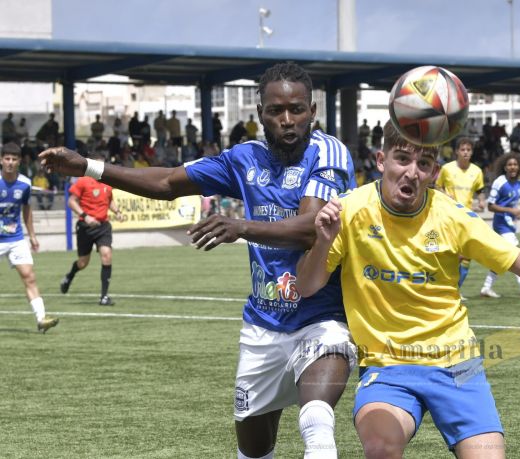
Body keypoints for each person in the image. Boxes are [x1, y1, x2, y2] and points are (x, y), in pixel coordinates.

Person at [41, 61, 357, 459]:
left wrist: (241, 227)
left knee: (316, 422)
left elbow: (310, 227)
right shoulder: (245, 158)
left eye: (297, 110)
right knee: (254, 451)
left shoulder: (327, 151)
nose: (288, 120)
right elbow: (169, 182)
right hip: (264, 324)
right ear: (260, 114)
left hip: (321, 317)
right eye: (276, 111)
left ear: (313, 112)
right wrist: (89, 166)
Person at [295, 122, 520, 458]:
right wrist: (323, 242)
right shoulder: (350, 210)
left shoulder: (452, 216)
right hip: (389, 368)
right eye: (402, 159)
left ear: (435, 172)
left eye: (424, 163)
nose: (411, 172)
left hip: (458, 366)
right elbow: (307, 287)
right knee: (381, 448)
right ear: (381, 161)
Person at [1, 143, 59, 333]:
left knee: (29, 276)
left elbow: (27, 211)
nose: (10, 162)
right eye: (7, 158)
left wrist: (32, 235)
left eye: (14, 159)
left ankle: (41, 318)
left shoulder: (25, 184)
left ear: (19, 162)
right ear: (1, 160)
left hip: (16, 238)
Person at [59, 152, 123, 305]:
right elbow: (71, 202)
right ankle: (70, 275)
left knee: (107, 255)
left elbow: (110, 201)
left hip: (103, 226)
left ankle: (104, 297)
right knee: (83, 263)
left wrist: (118, 211)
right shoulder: (82, 182)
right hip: (86, 227)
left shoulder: (107, 183)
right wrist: (85, 216)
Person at [480, 152, 520, 299]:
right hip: (501, 225)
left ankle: (486, 287)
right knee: (514, 254)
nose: (512, 167)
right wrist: (510, 210)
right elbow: (490, 206)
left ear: (519, 167)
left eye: (515, 164)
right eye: (509, 165)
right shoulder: (500, 182)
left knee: (501, 259)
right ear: (505, 167)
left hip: (510, 226)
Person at [434, 137, 486, 300]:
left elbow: (480, 190)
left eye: (468, 150)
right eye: (462, 149)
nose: (465, 153)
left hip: (467, 218)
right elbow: (436, 186)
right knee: (450, 254)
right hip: (448, 217)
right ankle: (443, 289)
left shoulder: (477, 171)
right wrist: (445, 194)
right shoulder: (447, 169)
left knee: (467, 257)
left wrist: (482, 201)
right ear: (457, 151)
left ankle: (455, 290)